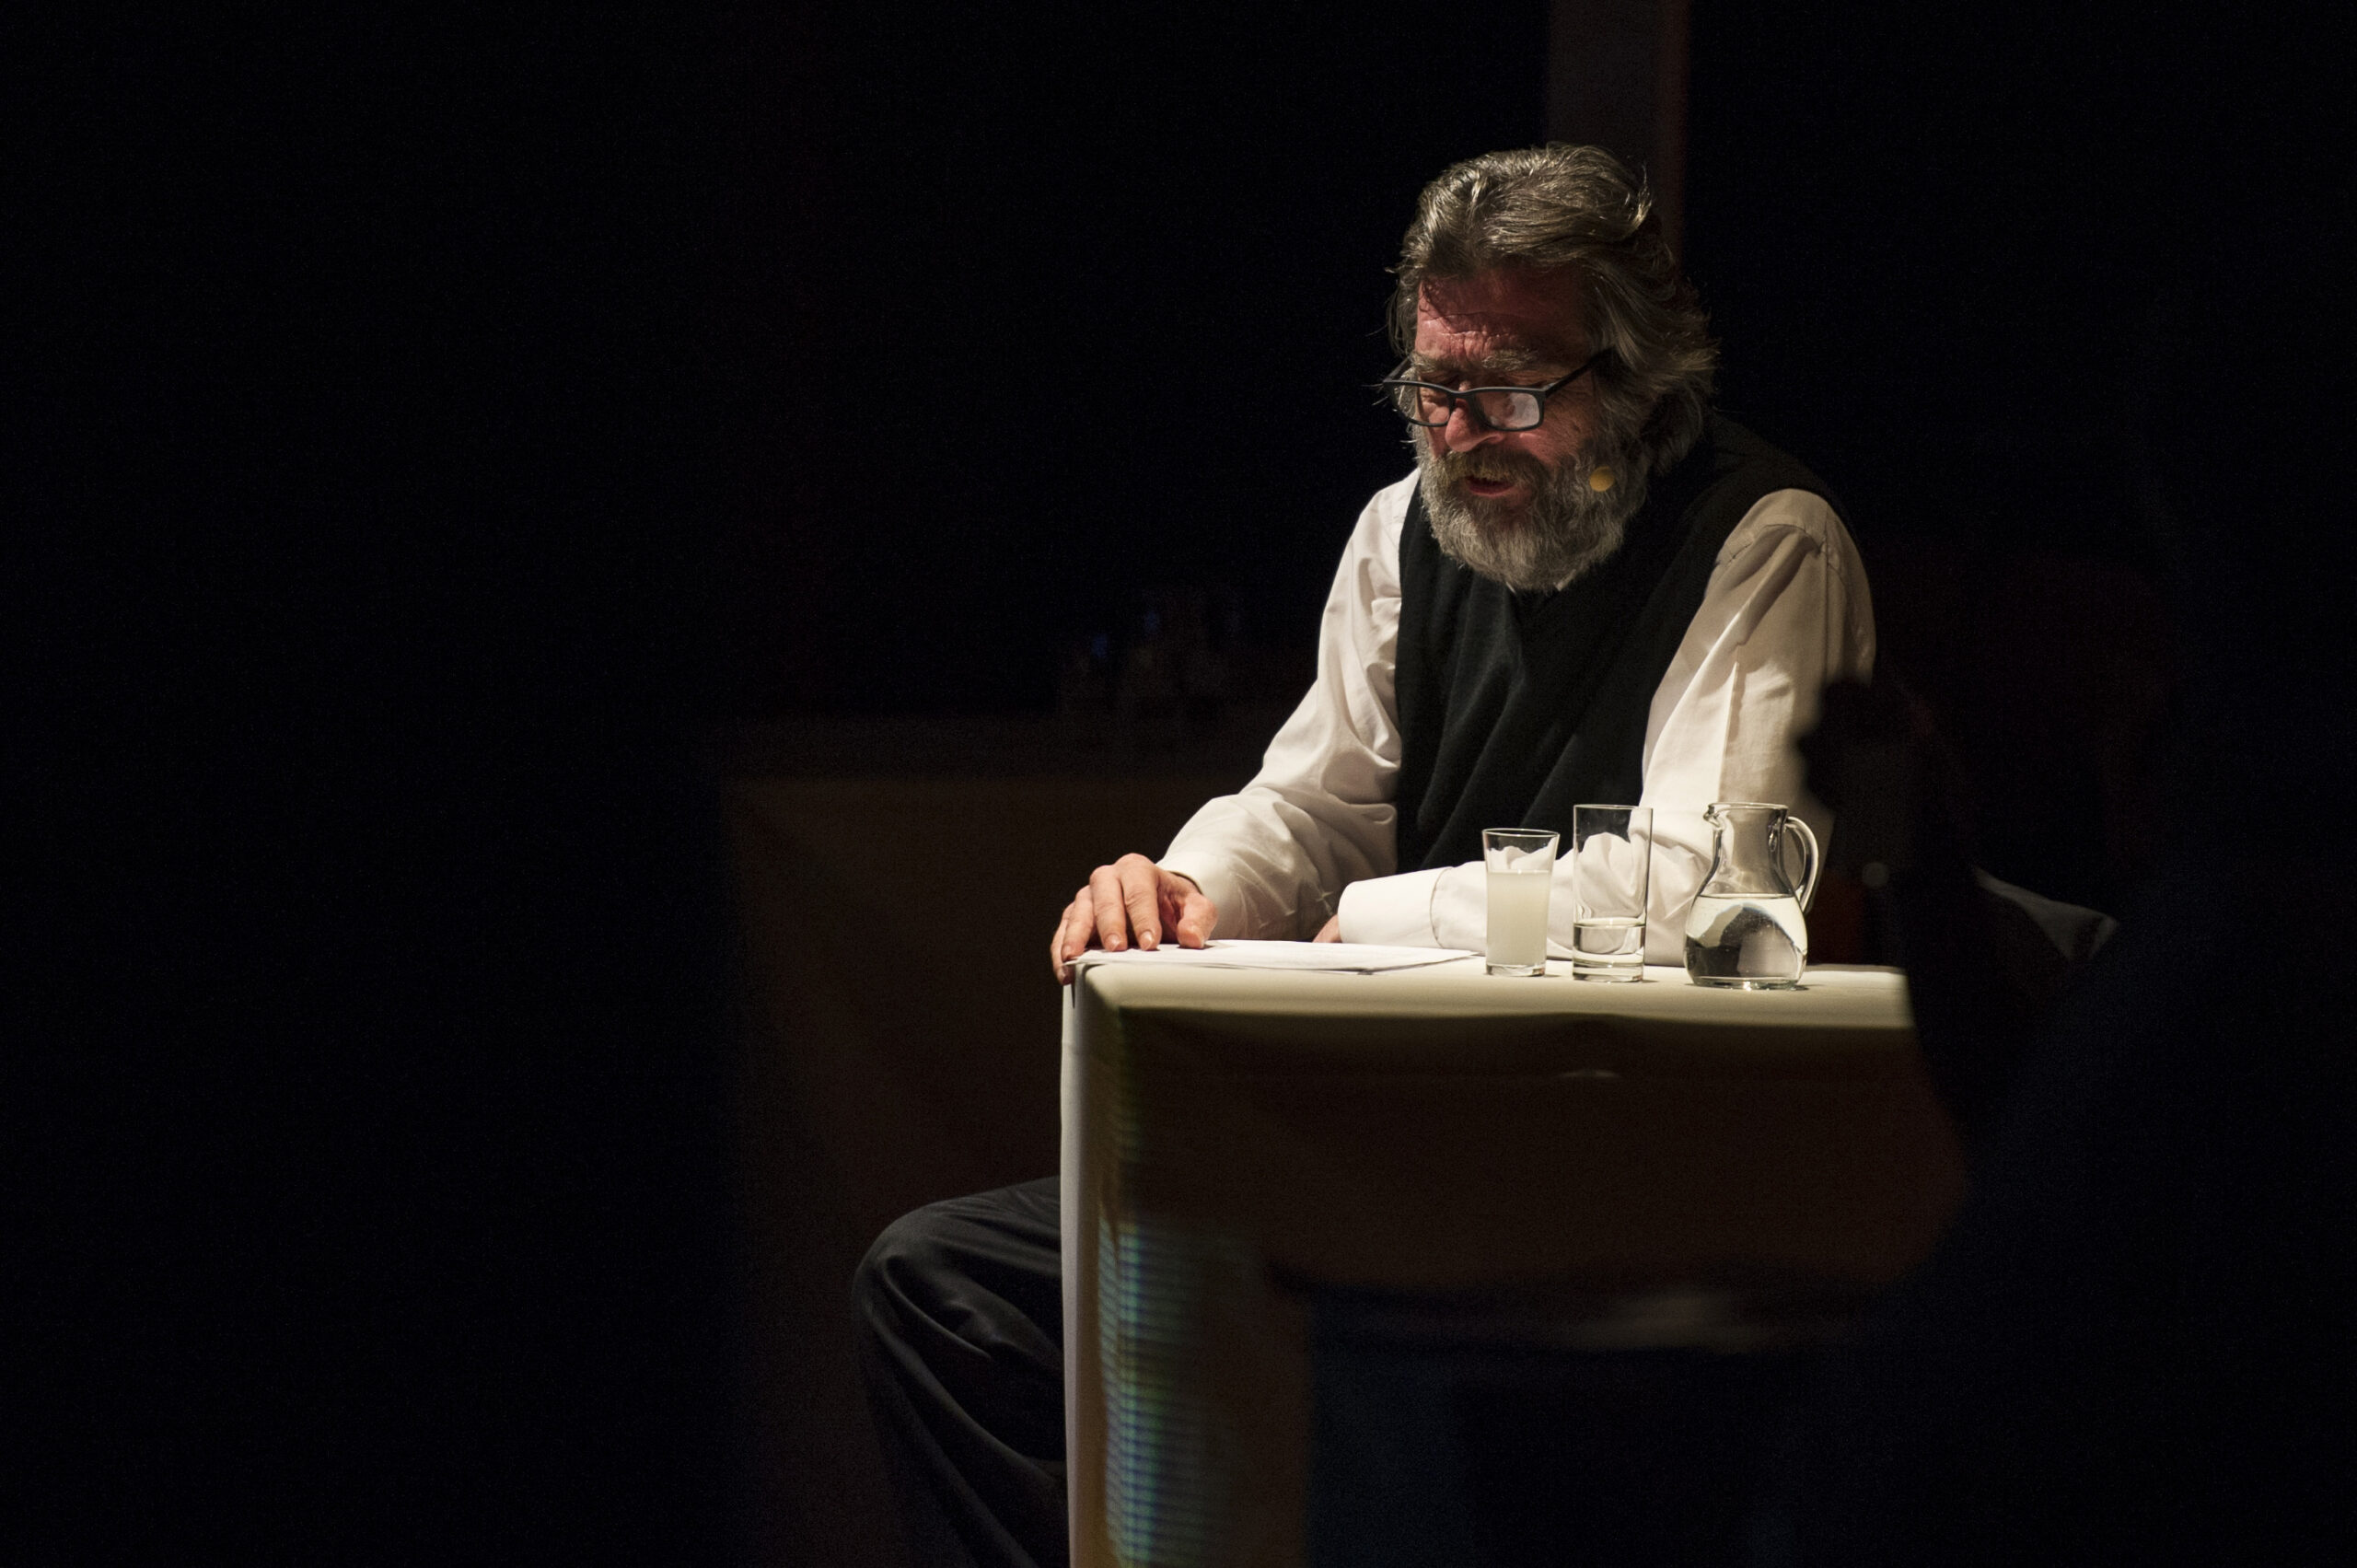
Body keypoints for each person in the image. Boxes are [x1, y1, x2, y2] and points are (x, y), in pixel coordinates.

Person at [854, 144, 1875, 1568]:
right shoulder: (1404, 530)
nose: (1460, 435)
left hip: (1620, 1170)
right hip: (1392, 1142)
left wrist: (1387, 916)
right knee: (943, 1287)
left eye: (1509, 391)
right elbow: (1316, 804)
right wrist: (1190, 884)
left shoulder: (1761, 541)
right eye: (1432, 389)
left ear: (1638, 378)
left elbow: (1710, 890)